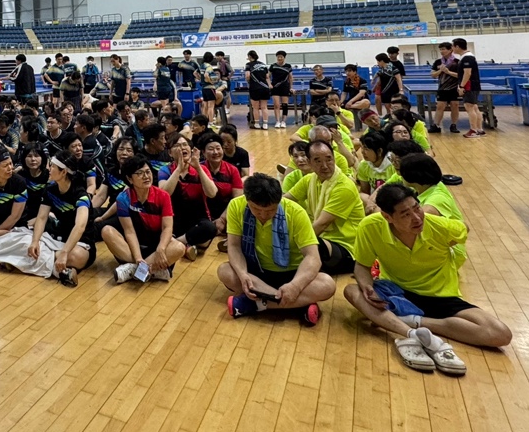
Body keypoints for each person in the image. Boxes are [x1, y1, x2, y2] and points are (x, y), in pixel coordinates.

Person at [344, 183, 511, 375]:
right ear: (387, 217)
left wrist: (447, 242)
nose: (417, 218)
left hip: (441, 297)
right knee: (351, 290)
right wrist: (367, 286)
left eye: (417, 208)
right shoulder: (370, 227)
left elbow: (463, 228)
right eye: (406, 214)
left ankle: (411, 322)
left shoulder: (438, 226)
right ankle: (410, 331)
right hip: (398, 293)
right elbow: (362, 266)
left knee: (500, 334)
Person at [218, 174, 335, 324]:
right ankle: (297, 305)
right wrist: (242, 274)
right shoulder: (235, 205)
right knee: (225, 271)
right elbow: (234, 246)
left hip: (291, 274)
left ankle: (256, 303)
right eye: (256, 209)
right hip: (256, 272)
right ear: (247, 200)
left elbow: (313, 257)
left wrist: (295, 286)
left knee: (327, 285)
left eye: (270, 210)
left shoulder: (296, 212)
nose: (263, 215)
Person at [284, 139, 364, 275]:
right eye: (318, 161)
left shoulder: (344, 187)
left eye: (329, 159)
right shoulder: (309, 180)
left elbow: (321, 225)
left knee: (310, 244)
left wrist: (287, 243)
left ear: (334, 159)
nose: (325, 166)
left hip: (348, 250)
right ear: (309, 162)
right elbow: (284, 202)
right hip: (323, 239)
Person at [101, 156, 184, 284]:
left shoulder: (163, 196)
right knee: (106, 231)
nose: (146, 176)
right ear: (130, 179)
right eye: (139, 173)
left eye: (148, 172)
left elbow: (167, 227)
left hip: (156, 248)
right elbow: (129, 232)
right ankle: (152, 270)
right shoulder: (123, 198)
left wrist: (161, 248)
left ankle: (132, 270)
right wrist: (138, 258)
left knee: (179, 247)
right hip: (134, 248)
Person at [28, 156, 96, 286]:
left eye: (52, 166)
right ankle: (61, 271)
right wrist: (35, 241)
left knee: (75, 257)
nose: (49, 169)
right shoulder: (50, 190)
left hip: (80, 243)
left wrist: (64, 253)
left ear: (63, 172)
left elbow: (80, 226)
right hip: (58, 238)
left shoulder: (81, 195)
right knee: (29, 243)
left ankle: (24, 262)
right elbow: (41, 217)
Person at [453, 37, 485, 138]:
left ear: (457, 46)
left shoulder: (467, 58)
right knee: (474, 107)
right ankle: (479, 129)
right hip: (472, 85)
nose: (452, 48)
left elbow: (467, 73)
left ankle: (473, 130)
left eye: (453, 46)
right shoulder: (466, 57)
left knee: (469, 107)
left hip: (469, 86)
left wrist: (461, 86)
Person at [429, 41, 461, 134]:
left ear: (450, 50)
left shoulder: (457, 62)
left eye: (443, 49)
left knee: (455, 106)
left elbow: (460, 76)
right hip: (442, 88)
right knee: (440, 106)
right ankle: (436, 125)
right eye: (440, 49)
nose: (441, 51)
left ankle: (454, 125)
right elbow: (433, 75)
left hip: (454, 88)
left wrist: (448, 72)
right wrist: (440, 71)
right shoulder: (438, 62)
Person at [244, 51, 272, 129]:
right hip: (264, 87)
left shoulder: (248, 65)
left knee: (255, 107)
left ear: (250, 56)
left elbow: (247, 76)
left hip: (255, 87)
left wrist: (249, 81)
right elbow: (267, 76)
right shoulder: (263, 64)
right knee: (264, 107)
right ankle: (265, 124)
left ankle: (257, 124)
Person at [269, 50, 294, 128]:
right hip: (275, 87)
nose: (279, 58)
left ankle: (283, 121)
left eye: (281, 57)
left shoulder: (288, 66)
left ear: (284, 57)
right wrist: (269, 84)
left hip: (285, 87)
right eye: (278, 57)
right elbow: (267, 76)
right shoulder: (273, 66)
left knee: (285, 105)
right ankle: (277, 121)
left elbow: (290, 77)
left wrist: (291, 87)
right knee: (276, 105)